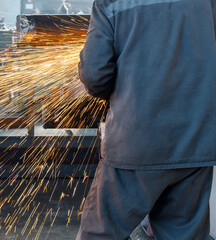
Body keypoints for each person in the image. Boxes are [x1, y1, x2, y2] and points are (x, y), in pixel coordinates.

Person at [77, 0, 216, 239]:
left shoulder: (110, 2)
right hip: (197, 140)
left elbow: (94, 73)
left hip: (136, 141)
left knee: (100, 234)